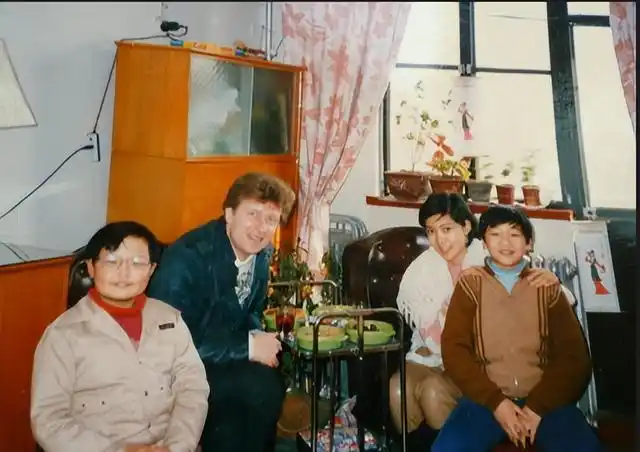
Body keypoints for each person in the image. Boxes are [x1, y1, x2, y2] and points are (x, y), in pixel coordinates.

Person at [389, 193, 565, 434]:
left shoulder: (489, 257)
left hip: (474, 358)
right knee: (398, 389)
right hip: (430, 354)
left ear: (466, 227)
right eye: (431, 231)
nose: (439, 240)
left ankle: (455, 440)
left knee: (433, 392)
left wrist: (549, 278)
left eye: (447, 229)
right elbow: (423, 327)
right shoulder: (421, 269)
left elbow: (533, 288)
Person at [147, 172, 296, 452]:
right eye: (252, 214)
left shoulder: (261, 254)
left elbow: (249, 311)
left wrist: (259, 339)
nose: (261, 227)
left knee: (267, 382)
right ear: (229, 214)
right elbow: (168, 342)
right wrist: (249, 346)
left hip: (219, 359)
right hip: (173, 369)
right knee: (259, 388)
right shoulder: (187, 258)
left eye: (271, 219)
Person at [433, 205, 602, 452]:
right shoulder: (470, 285)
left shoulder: (547, 288)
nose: (505, 243)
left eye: (514, 234)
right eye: (495, 234)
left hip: (545, 402)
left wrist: (536, 409)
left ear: (529, 243)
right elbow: (454, 351)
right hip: (485, 402)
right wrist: (497, 403)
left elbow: (575, 359)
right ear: (484, 244)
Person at [31, 221, 209, 452]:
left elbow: (193, 388)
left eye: (137, 263)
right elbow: (49, 421)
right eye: (112, 261)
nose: (124, 273)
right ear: (91, 268)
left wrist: (177, 446)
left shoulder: (170, 319)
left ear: (151, 270)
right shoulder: (63, 335)